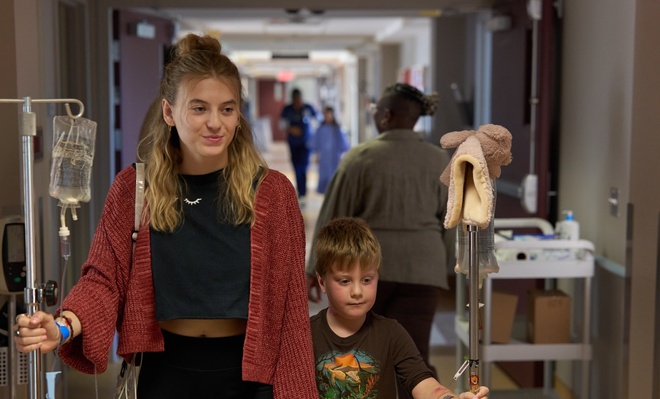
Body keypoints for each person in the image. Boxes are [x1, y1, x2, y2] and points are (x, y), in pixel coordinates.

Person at [13, 33, 317, 399]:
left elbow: (291, 307)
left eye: (227, 109)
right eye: (199, 108)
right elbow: (105, 279)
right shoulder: (135, 188)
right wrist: (62, 327)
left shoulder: (273, 193)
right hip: (166, 372)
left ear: (239, 115)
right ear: (170, 112)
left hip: (250, 378)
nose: (215, 123)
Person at [306, 83, 452, 398]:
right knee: (414, 357)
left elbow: (333, 219)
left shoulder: (360, 158)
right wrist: (451, 267)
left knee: (364, 349)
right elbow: (451, 220)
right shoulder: (442, 161)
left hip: (367, 268)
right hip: (423, 269)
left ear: (386, 116)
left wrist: (313, 268)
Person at [310, 217, 488, 399]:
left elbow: (422, 381)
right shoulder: (306, 334)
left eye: (366, 280)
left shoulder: (391, 333)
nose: (357, 291)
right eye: (345, 281)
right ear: (322, 282)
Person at [280, 88, 318, 201]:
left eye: (299, 99)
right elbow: (281, 125)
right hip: (293, 143)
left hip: (306, 143)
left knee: (304, 167)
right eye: (296, 99)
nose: (298, 101)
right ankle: (300, 191)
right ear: (293, 99)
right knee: (296, 167)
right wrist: (291, 129)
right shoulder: (287, 110)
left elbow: (318, 119)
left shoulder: (308, 108)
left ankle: (303, 192)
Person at [310, 106, 350, 194]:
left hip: (334, 157)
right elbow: (315, 143)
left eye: (329, 115)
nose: (328, 117)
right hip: (323, 158)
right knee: (324, 177)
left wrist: (342, 156)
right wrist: (315, 155)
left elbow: (343, 144)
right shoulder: (320, 129)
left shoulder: (337, 129)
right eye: (326, 115)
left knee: (334, 177)